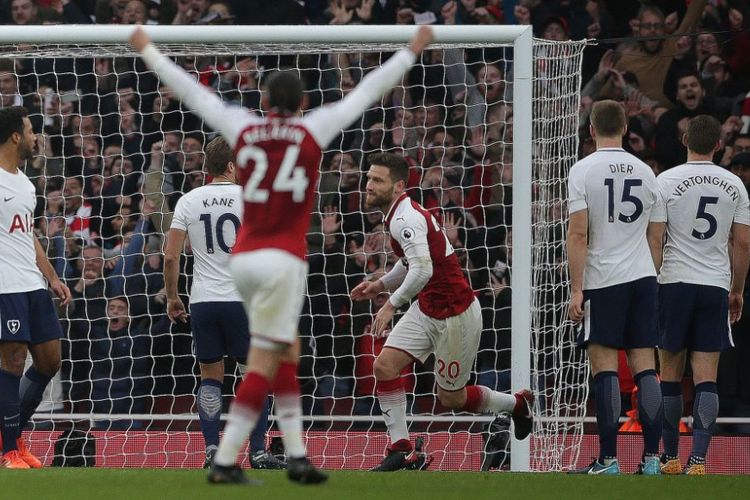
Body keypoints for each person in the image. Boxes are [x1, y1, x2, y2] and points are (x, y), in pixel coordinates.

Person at [129, 24, 434, 484]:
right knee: (271, 358)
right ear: (303, 103)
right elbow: (367, 92)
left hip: (244, 260)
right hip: (283, 259)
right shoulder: (313, 128)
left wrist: (148, 50)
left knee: (280, 353)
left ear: (265, 101)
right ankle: (246, 457)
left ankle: (281, 454)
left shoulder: (245, 128)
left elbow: (193, 93)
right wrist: (411, 51)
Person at [350, 152, 533, 472]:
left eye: (376, 180)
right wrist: (380, 285)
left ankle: (517, 404)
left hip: (456, 315)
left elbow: (421, 270)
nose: (368, 185)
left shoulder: (404, 218)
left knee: (451, 398)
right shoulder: (396, 214)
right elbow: (409, 264)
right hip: (428, 308)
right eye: (368, 178)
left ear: (397, 186)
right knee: (385, 367)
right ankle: (401, 448)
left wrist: (390, 304)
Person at [164, 136, 285, 470]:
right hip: (242, 301)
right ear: (232, 166)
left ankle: (212, 450)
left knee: (210, 378)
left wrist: (173, 297)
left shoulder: (188, 201)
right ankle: (258, 451)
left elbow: (171, 256)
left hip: (203, 301)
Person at [567, 100, 665, 475]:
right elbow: (657, 238)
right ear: (625, 128)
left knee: (604, 368)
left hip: (603, 279)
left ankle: (608, 460)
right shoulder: (647, 172)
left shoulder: (583, 170)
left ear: (591, 130)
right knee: (645, 367)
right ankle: (652, 460)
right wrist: (648, 277)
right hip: (642, 277)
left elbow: (578, 233)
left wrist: (578, 290)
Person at [655, 115, 750, 475]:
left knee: (670, 374)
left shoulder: (665, 181)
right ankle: (699, 461)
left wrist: (654, 281)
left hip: (674, 282)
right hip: (713, 285)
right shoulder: (735, 185)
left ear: (684, 140)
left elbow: (657, 237)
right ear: (718, 146)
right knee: (706, 376)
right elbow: (741, 241)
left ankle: (670, 457)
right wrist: (736, 289)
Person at [0, 106, 72, 469]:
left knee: (49, 361)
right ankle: (10, 449)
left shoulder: (25, 184)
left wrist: (53, 277)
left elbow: (28, 236)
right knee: (12, 363)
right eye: (30, 131)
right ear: (15, 136)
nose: (35, 138)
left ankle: (9, 436)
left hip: (32, 284)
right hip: (5, 286)